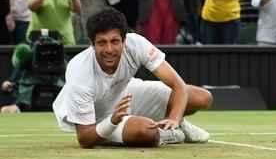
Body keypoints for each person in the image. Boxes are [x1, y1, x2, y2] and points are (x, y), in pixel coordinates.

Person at [52, 8, 211, 147]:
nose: (109, 49)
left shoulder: (135, 44)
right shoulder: (79, 71)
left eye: (115, 41)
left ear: (124, 40)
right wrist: (112, 121)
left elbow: (178, 86)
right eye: (102, 43)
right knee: (145, 132)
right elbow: (85, 138)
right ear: (92, 44)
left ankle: (178, 126)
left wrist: (174, 119)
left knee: (202, 97)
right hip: (99, 118)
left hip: (126, 93)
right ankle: (167, 135)